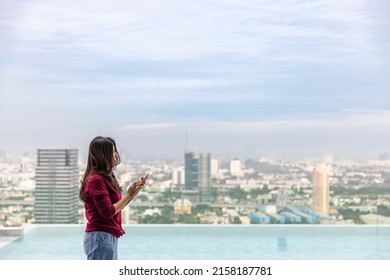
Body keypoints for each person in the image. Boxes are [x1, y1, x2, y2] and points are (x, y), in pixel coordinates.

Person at [79, 136, 147, 260]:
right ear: (102, 154)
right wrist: (128, 195)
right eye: (112, 151)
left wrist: (134, 191)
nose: (115, 155)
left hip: (108, 235)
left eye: (115, 150)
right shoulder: (95, 180)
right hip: (100, 236)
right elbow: (107, 212)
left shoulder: (107, 177)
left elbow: (118, 206)